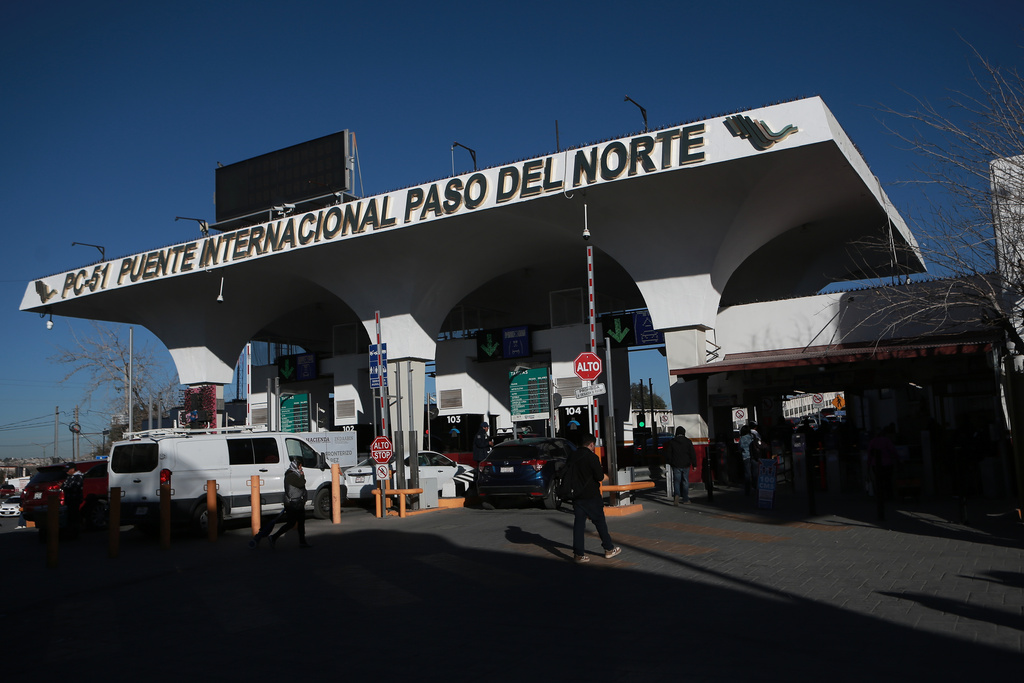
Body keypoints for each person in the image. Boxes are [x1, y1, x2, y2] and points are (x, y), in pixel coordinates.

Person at [568, 433, 621, 563]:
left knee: (579, 525)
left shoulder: (572, 456)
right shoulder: (592, 457)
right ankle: (608, 549)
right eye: (593, 445)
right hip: (591, 496)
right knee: (600, 522)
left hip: (577, 496)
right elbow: (599, 477)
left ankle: (578, 554)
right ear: (591, 444)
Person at [250, 458, 310, 549]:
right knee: (291, 523)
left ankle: (302, 542)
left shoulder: (294, 474)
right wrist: (302, 475)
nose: (301, 468)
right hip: (293, 504)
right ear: (296, 466)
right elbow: (301, 483)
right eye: (300, 466)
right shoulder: (291, 476)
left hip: (298, 502)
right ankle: (274, 537)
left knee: (300, 523)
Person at [665, 426, 697, 505]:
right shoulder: (688, 442)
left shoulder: (672, 442)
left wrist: (670, 462)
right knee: (685, 481)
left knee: (676, 481)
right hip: (686, 464)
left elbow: (669, 454)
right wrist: (694, 464)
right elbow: (692, 454)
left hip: (676, 465)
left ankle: (676, 495)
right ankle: (685, 499)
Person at [61, 463, 84, 539]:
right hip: (69, 500)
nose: (66, 472)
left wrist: (63, 486)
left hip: (75, 499)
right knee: (70, 516)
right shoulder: (70, 477)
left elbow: (74, 487)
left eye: (68, 470)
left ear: (73, 470)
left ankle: (75, 532)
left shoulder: (78, 477)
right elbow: (66, 485)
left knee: (74, 516)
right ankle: (71, 532)